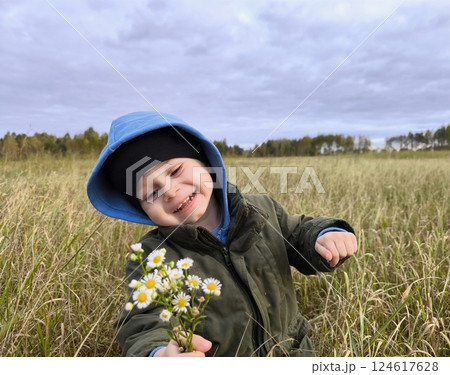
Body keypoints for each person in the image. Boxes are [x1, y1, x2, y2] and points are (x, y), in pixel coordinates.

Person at [87, 111, 357, 357]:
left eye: (176, 171)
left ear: (205, 162)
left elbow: (299, 232)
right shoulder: (153, 257)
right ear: (142, 211)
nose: (169, 191)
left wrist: (325, 235)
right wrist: (158, 354)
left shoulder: (261, 210)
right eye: (151, 193)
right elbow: (142, 323)